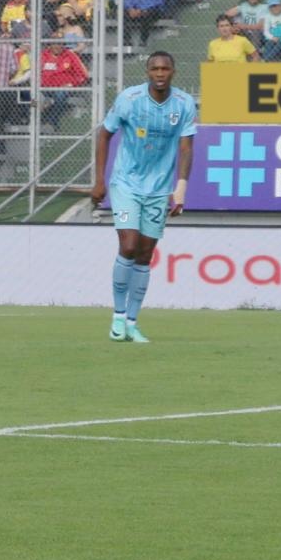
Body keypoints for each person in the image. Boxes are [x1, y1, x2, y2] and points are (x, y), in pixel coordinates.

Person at [89, 52, 196, 345]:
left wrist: (181, 188)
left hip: (159, 188)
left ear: (173, 72)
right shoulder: (129, 99)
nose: (160, 73)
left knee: (146, 254)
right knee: (129, 245)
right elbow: (104, 134)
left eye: (165, 69)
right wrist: (99, 180)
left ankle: (132, 323)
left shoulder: (184, 103)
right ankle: (118, 317)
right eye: (155, 69)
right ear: (147, 72)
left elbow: (186, 148)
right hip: (126, 183)